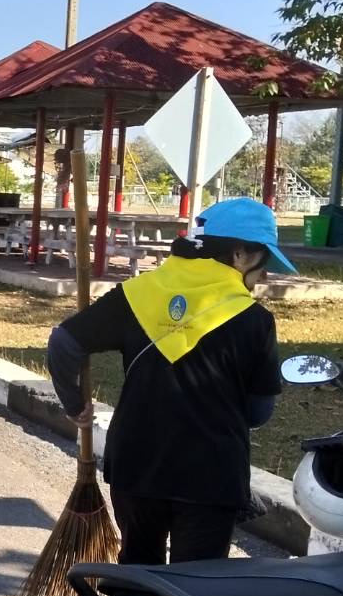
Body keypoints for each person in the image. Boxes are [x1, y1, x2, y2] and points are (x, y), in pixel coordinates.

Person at [45, 198, 292, 566]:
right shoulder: (255, 321)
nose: (264, 275)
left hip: (135, 466)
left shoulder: (136, 294)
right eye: (264, 262)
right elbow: (258, 413)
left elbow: (63, 343)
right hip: (211, 475)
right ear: (239, 254)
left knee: (137, 575)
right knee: (194, 586)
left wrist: (74, 404)